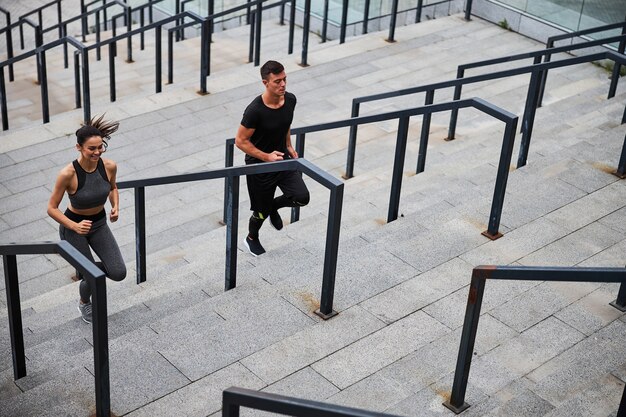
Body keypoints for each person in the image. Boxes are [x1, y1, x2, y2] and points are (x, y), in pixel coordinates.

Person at [47, 114, 127, 323]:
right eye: (92, 148)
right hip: (73, 227)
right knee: (92, 274)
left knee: (118, 272)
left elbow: (113, 188)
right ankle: (85, 302)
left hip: (99, 224)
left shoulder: (109, 166)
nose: (97, 152)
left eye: (101, 147)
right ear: (79, 147)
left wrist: (115, 206)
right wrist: (74, 225)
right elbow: (51, 208)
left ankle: (88, 272)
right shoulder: (67, 174)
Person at [235, 60, 310, 256]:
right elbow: (240, 141)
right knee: (260, 211)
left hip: (283, 159)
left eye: (285, 79)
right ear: (265, 83)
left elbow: (284, 124)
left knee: (302, 198)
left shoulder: (290, 100)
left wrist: (288, 145)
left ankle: (272, 207)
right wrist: (266, 157)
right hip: (260, 165)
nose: (283, 84)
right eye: (277, 81)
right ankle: (251, 237)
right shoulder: (254, 111)